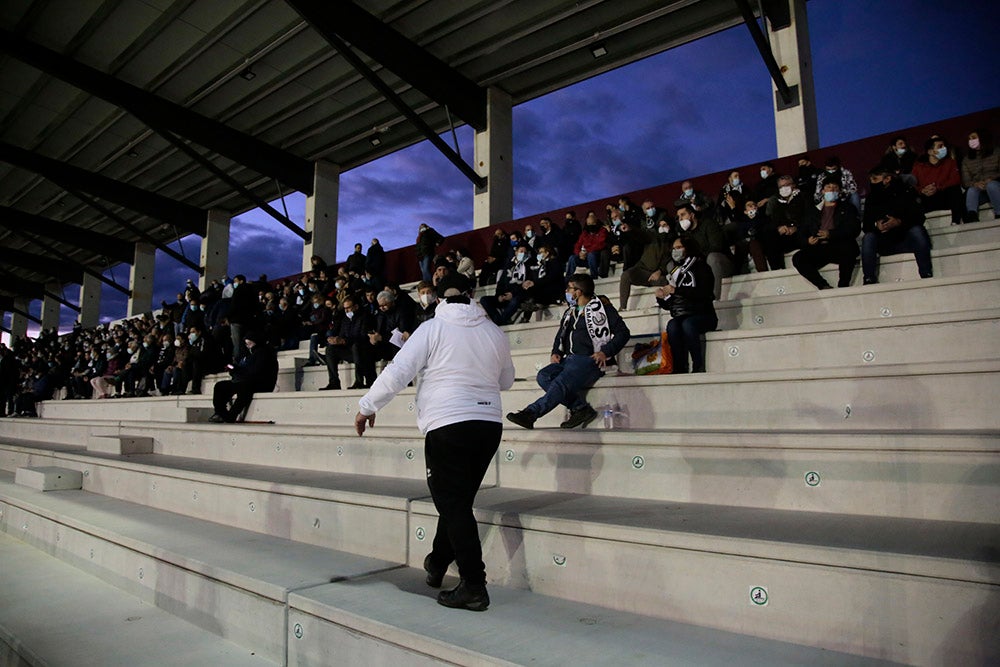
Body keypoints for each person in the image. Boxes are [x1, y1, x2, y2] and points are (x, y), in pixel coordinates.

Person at [354, 273, 515, 612]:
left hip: (448, 422)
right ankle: (439, 561)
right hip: (488, 424)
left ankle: (474, 584)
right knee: (457, 499)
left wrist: (367, 406)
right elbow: (507, 380)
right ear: (472, 294)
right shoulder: (493, 331)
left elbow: (398, 370)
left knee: (453, 503)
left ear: (438, 298)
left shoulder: (431, 329)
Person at [506, 274, 630, 430]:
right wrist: (556, 351)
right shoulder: (570, 311)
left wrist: (605, 351)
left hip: (589, 360)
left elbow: (623, 333)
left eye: (569, 288)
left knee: (560, 382)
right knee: (543, 376)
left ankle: (531, 413)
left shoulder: (603, 309)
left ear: (578, 292)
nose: (566, 291)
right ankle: (580, 408)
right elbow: (561, 334)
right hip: (568, 360)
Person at [655, 236, 718, 374]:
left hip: (704, 314)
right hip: (683, 315)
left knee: (688, 324)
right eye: (673, 248)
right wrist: (661, 297)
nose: (675, 251)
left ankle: (698, 365)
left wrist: (676, 290)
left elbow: (704, 293)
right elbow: (671, 304)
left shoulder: (702, 267)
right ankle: (679, 367)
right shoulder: (676, 272)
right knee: (672, 325)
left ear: (688, 248)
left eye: (678, 247)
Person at [861, 166, 931, 284]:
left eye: (875, 179)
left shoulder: (906, 191)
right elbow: (866, 225)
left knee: (917, 231)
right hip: (883, 242)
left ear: (887, 179)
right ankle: (868, 279)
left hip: (905, 239)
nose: (871, 183)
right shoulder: (871, 198)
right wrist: (876, 225)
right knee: (868, 237)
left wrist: (899, 222)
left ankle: (926, 273)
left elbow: (919, 216)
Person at [791, 180, 860, 289]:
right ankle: (823, 285)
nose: (831, 190)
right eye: (828, 187)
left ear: (839, 191)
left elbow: (854, 229)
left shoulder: (848, 208)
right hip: (819, 247)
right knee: (798, 257)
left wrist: (831, 234)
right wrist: (807, 241)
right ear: (823, 191)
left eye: (835, 187)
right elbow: (800, 233)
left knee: (848, 248)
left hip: (839, 245)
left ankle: (843, 285)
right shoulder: (812, 212)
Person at [210, 331, 278, 423]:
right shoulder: (251, 355)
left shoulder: (264, 353)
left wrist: (237, 371)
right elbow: (246, 371)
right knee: (220, 386)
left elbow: (256, 373)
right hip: (247, 381)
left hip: (260, 383)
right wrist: (235, 370)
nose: (247, 346)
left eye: (249, 343)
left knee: (244, 389)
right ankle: (221, 413)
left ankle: (230, 415)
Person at [676, 203, 733, 299]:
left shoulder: (709, 224)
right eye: (678, 217)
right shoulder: (685, 235)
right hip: (702, 267)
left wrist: (698, 259)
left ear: (692, 215)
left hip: (722, 263)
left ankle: (715, 298)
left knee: (712, 257)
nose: (680, 219)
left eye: (683, 215)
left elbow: (717, 246)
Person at [618, 222, 674, 310]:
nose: (663, 227)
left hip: (659, 276)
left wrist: (660, 271)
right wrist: (630, 229)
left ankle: (661, 301)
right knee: (626, 275)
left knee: (667, 280)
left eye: (665, 225)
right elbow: (641, 234)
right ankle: (622, 307)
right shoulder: (653, 237)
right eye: (661, 225)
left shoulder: (673, 242)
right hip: (642, 271)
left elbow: (671, 260)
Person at [912, 136, 963, 224]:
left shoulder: (950, 162)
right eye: (940, 146)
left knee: (955, 190)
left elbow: (955, 180)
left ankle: (955, 221)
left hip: (943, 196)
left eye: (944, 146)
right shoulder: (918, 167)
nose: (944, 148)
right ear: (930, 151)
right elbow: (912, 184)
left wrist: (938, 187)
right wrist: (922, 190)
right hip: (926, 199)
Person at [761, 175, 808, 270]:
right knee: (769, 235)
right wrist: (779, 227)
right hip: (785, 235)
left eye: (786, 185)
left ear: (793, 185)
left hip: (800, 233)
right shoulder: (776, 201)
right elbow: (771, 220)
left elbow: (809, 217)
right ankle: (777, 270)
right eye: (781, 187)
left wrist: (796, 227)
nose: (784, 188)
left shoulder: (804, 197)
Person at [961, 128, 1000, 221]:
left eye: (973, 138)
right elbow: (966, 181)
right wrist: (975, 184)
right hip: (980, 190)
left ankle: (998, 213)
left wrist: (992, 179)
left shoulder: (997, 152)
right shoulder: (967, 159)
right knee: (971, 190)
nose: (971, 141)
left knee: (992, 185)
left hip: (996, 185)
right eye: (969, 139)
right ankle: (972, 216)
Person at [565, 212, 608, 278]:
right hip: (584, 258)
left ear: (596, 223)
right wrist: (579, 253)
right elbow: (577, 245)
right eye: (588, 224)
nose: (590, 225)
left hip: (597, 257)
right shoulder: (584, 233)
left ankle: (594, 276)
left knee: (591, 255)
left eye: (593, 223)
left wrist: (586, 252)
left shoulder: (602, 231)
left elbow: (600, 244)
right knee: (572, 258)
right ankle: (568, 278)